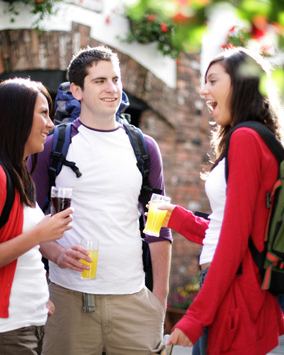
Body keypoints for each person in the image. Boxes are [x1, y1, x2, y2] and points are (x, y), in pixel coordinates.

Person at [31, 46, 172, 354]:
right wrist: (54, 252)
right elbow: (28, 216)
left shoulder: (144, 148)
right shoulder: (54, 145)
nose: (111, 89)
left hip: (134, 301)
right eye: (99, 81)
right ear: (77, 90)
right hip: (68, 298)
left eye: (115, 79)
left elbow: (158, 225)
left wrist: (159, 300)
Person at [162, 47, 284, 354]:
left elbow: (234, 239)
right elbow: (228, 225)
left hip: (233, 287)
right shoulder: (250, 136)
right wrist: (176, 217)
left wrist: (195, 317)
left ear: (242, 84)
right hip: (230, 283)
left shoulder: (246, 139)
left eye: (213, 81)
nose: (203, 89)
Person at [0, 78, 74, 355]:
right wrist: (38, 234)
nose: (51, 124)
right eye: (43, 113)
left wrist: (40, 297)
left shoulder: (16, 172)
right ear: (16, 117)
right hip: (1, 331)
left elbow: (20, 250)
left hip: (25, 323)